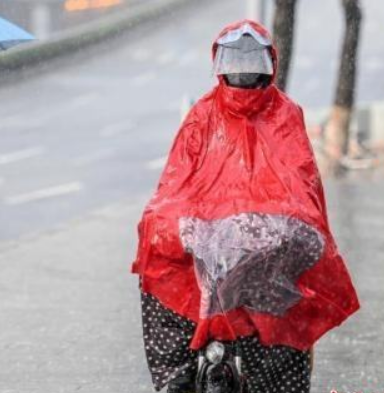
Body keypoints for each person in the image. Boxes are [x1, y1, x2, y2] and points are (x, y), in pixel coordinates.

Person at [132, 20, 359, 393]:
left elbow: (301, 182)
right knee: (158, 263)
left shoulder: (285, 115)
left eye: (251, 61)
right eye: (235, 61)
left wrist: (292, 223)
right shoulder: (202, 116)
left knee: (287, 310)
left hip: (270, 240)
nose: (243, 70)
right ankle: (177, 377)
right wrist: (170, 223)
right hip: (206, 232)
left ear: (268, 63)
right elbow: (177, 182)